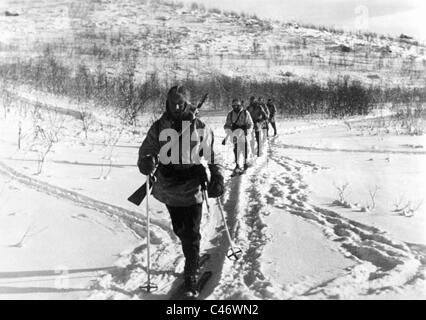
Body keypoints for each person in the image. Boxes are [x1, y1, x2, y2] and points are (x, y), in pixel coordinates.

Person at [137, 85, 224, 298]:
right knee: (180, 228)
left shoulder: (199, 126)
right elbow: (146, 149)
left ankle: (191, 270)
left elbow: (213, 154)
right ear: (167, 103)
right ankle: (190, 252)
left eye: (180, 103)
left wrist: (217, 175)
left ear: (185, 103)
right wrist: (146, 162)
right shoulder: (159, 127)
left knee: (191, 232)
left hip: (193, 185)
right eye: (172, 102)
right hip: (168, 187)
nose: (176, 106)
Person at [223, 98, 253, 172]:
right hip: (235, 134)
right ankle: (237, 164)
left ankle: (245, 163)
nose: (235, 107)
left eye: (237, 105)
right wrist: (230, 130)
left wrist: (247, 130)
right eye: (234, 106)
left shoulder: (246, 113)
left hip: (244, 133)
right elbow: (226, 125)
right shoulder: (230, 114)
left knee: (245, 148)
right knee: (236, 149)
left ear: (240, 105)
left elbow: (250, 123)